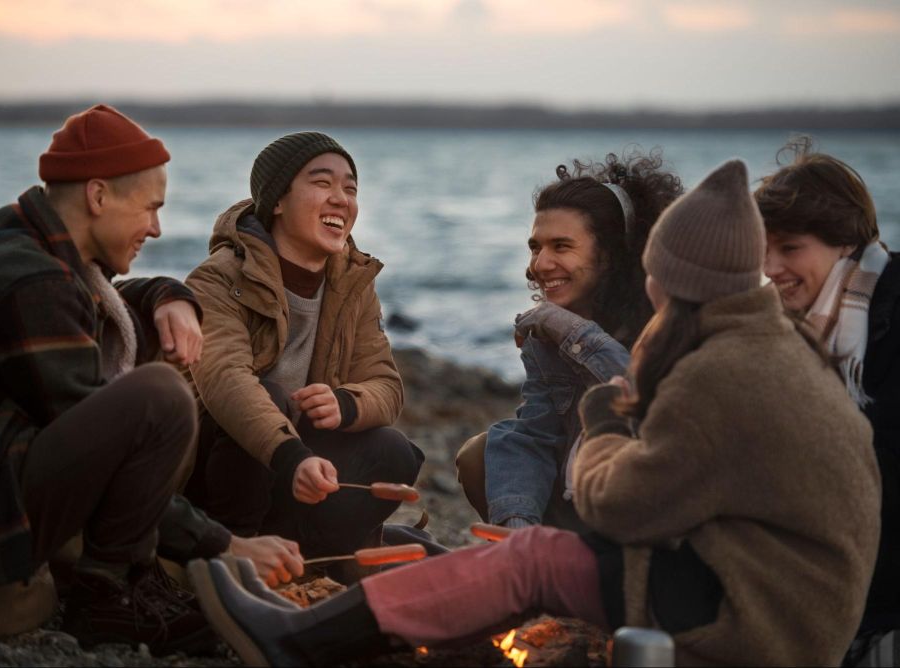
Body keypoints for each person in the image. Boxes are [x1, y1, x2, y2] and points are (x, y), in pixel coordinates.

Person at [189, 159, 881, 667]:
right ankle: (372, 628)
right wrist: (521, 522)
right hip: (769, 592)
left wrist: (607, 417)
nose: (540, 264)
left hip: (760, 622)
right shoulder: (768, 340)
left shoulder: (721, 366)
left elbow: (622, 508)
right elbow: (545, 436)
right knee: (526, 553)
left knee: (535, 566)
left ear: (667, 275)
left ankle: (293, 643)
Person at [0, 105, 298, 654]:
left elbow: (97, 302)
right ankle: (107, 597)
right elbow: (103, 447)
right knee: (159, 395)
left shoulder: (26, 235)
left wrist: (169, 297)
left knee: (156, 370)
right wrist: (222, 544)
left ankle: (128, 568)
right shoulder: (30, 278)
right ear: (97, 196)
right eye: (151, 208)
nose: (157, 228)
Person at [183, 132, 423, 580]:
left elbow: (386, 386)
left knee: (393, 452)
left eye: (350, 189)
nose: (341, 200)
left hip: (300, 469)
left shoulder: (352, 283)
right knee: (268, 398)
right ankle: (228, 565)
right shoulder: (217, 279)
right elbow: (225, 380)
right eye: (322, 183)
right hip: (217, 472)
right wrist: (291, 454)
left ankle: (312, 565)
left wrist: (345, 402)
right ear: (277, 200)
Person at [456, 150, 683, 530]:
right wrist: (516, 525)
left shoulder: (664, 319)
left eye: (561, 247)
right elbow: (534, 435)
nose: (539, 265)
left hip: (651, 515)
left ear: (609, 255)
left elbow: (649, 409)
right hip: (574, 503)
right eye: (535, 247)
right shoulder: (547, 330)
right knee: (483, 452)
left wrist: (571, 331)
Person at [755, 138, 900, 652]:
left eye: (790, 248)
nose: (770, 267)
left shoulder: (891, 312)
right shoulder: (790, 324)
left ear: (844, 243)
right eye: (764, 249)